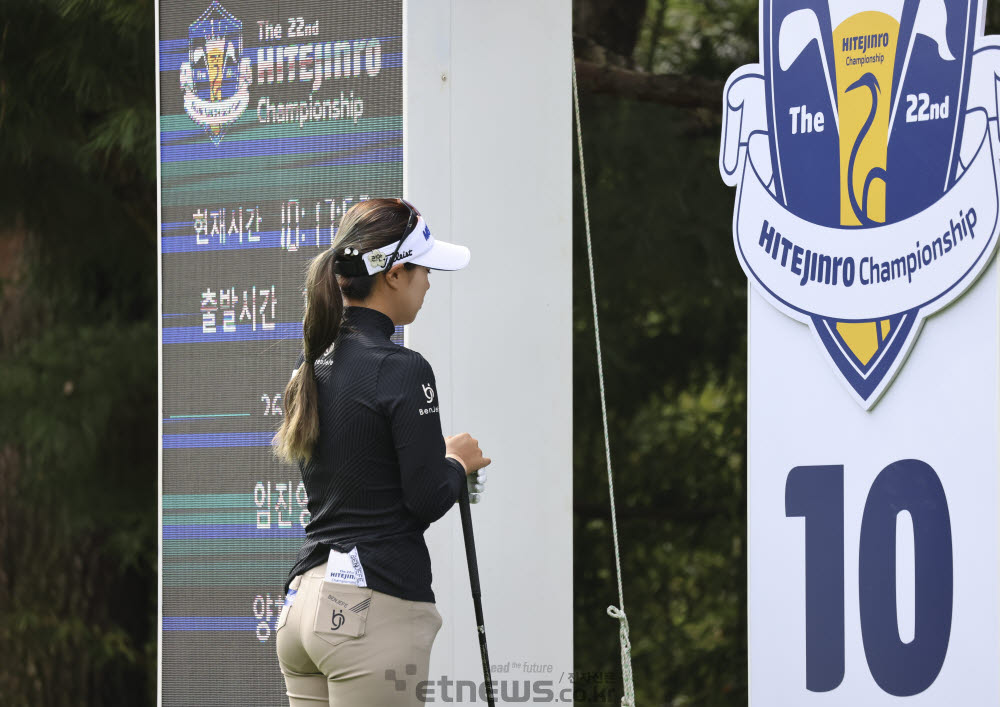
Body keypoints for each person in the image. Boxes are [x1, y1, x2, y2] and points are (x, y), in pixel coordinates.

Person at [270, 198, 491, 706]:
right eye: (424, 269)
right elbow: (426, 497)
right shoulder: (402, 368)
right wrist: (456, 463)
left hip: (303, 605)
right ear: (394, 274)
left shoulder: (307, 371)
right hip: (372, 608)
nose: (429, 282)